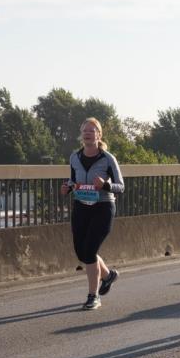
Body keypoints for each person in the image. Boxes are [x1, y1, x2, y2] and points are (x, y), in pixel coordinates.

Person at [60, 118, 124, 309]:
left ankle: (93, 296)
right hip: (81, 207)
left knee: (89, 251)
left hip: (102, 208)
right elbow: (73, 181)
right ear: (81, 135)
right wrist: (67, 188)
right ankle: (108, 275)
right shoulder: (74, 158)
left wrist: (104, 185)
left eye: (92, 130)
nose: (88, 133)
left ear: (99, 135)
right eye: (85, 130)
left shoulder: (108, 158)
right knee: (82, 252)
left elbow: (120, 186)